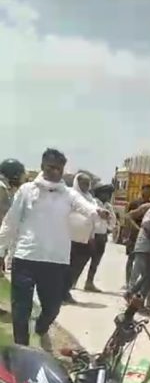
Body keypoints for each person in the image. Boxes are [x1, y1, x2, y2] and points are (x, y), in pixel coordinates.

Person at [0, 148, 95, 350]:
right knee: (20, 310)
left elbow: (87, 208)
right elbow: (10, 222)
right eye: (51, 167)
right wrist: (1, 251)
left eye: (59, 169)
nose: (55, 172)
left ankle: (40, 328)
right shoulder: (26, 191)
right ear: (42, 166)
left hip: (55, 262)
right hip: (25, 258)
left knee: (52, 309)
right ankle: (22, 350)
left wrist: (99, 213)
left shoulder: (69, 195)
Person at [64, 172, 96, 304]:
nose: (86, 186)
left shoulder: (91, 199)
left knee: (77, 266)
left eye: (88, 183)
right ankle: (60, 292)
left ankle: (66, 290)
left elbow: (94, 218)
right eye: (83, 183)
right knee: (66, 266)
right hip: (68, 238)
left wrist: (92, 236)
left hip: (85, 239)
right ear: (77, 182)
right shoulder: (69, 195)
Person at [83, 184, 116, 293]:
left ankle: (89, 282)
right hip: (91, 234)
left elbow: (113, 221)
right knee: (83, 259)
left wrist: (109, 224)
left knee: (96, 261)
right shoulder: (93, 202)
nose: (107, 196)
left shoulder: (108, 206)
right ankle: (72, 281)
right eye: (105, 193)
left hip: (102, 235)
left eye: (109, 194)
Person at [123, 185, 150, 287]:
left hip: (145, 235)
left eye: (149, 191)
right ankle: (128, 281)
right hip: (134, 234)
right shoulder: (135, 203)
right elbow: (127, 218)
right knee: (131, 258)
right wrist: (127, 234)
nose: (148, 193)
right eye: (146, 191)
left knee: (142, 261)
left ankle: (137, 283)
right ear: (142, 191)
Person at [0, 159, 26, 227]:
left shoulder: (8, 188)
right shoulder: (1, 188)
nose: (22, 179)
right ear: (14, 175)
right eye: (21, 175)